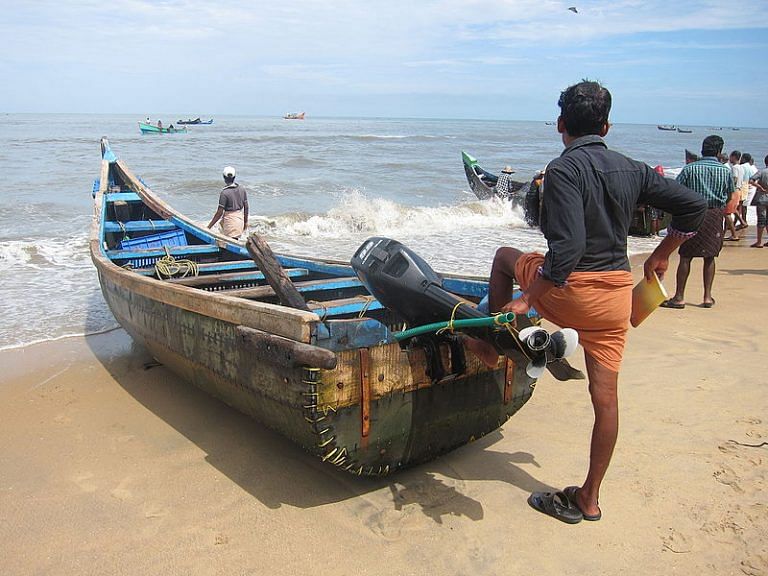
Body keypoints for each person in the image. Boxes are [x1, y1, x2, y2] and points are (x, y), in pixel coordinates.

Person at [465, 80, 707, 524]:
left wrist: (528, 297)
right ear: (608, 126)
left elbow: (569, 248)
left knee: (503, 258)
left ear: (561, 124)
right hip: (615, 299)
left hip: (568, 292)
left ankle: (493, 345)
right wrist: (661, 253)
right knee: (606, 400)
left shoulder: (561, 170)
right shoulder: (632, 169)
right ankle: (589, 499)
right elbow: (695, 206)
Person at [660, 135, 735, 309]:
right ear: (719, 151)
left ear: (703, 149)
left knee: (685, 256)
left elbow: (677, 190)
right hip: (715, 214)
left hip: (692, 214)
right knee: (710, 256)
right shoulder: (725, 171)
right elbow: (730, 195)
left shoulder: (690, 168)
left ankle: (679, 297)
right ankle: (707, 297)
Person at [207, 166, 249, 239]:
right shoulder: (242, 189)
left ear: (224, 177)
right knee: (236, 240)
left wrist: (208, 227)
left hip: (230, 222)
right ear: (234, 177)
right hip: (240, 219)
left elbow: (219, 213)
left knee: (231, 241)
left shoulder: (224, 193)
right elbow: (246, 207)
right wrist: (245, 222)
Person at [748, 154, 768, 248]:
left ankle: (759, 242)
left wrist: (760, 187)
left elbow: (751, 180)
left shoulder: (762, 172)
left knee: (761, 220)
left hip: (762, 198)